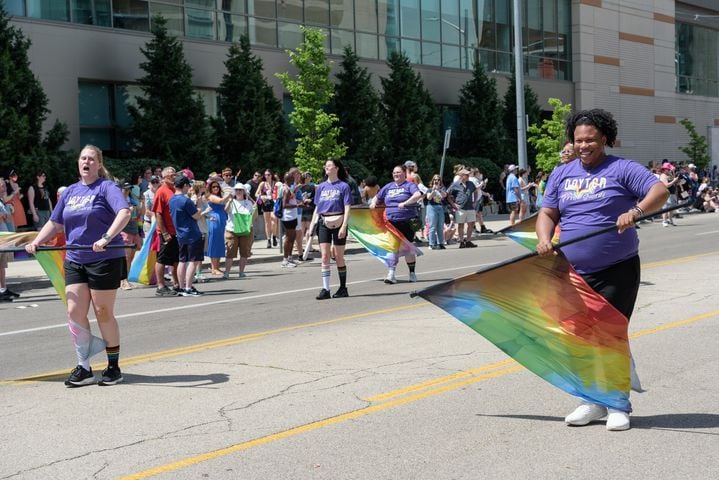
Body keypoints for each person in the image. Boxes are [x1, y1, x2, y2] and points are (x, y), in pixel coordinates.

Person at [536, 109, 669, 431]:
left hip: (616, 268)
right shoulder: (562, 173)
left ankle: (617, 404)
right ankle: (591, 401)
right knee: (579, 336)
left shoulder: (622, 168)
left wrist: (635, 211)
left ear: (605, 138)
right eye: (579, 140)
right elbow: (548, 212)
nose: (584, 145)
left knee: (608, 334)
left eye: (591, 140)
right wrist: (543, 239)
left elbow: (660, 192)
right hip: (573, 271)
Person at [26, 145, 131, 387]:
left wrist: (106, 238)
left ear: (99, 164)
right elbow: (55, 222)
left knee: (103, 312)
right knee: (74, 311)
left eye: (91, 159)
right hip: (75, 258)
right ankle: (84, 367)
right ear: (78, 163)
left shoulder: (107, 187)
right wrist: (37, 241)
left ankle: (113, 367)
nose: (86, 162)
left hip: (104, 258)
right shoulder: (71, 191)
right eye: (83, 158)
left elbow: (124, 213)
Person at [370, 165, 423, 283]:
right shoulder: (388, 187)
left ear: (404, 173)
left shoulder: (409, 185)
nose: (396, 175)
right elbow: (377, 197)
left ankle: (412, 273)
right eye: (394, 173)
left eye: (398, 172)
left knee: (408, 248)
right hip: (391, 222)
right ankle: (391, 273)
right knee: (393, 247)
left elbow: (417, 195)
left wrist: (405, 203)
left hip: (407, 221)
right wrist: (373, 203)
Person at [310, 159, 352, 299]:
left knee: (339, 256)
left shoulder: (344, 186)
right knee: (325, 256)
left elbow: (347, 207)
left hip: (339, 220)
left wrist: (344, 226)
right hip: (323, 222)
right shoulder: (321, 187)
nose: (326, 168)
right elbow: (317, 207)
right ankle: (325, 289)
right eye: (325, 166)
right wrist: (312, 225)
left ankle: (342, 288)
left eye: (329, 165)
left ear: (336, 168)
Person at [169, 175, 204, 296]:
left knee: (182, 260)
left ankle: (182, 287)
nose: (189, 188)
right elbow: (196, 216)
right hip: (192, 233)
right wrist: (199, 205)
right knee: (194, 261)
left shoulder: (172, 199)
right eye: (188, 185)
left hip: (180, 233)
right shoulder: (185, 200)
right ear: (184, 185)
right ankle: (188, 287)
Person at [152, 166, 180, 297]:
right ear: (165, 177)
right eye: (172, 175)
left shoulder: (174, 189)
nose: (174, 177)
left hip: (176, 231)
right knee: (162, 259)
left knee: (175, 259)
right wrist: (164, 232)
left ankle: (176, 283)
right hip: (166, 231)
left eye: (175, 174)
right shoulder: (161, 191)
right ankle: (161, 286)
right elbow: (158, 214)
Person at [224, 183, 255, 278]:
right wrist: (229, 201)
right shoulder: (231, 201)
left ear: (244, 191)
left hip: (245, 230)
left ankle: (241, 272)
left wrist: (250, 199)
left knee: (244, 252)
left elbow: (253, 213)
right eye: (236, 189)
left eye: (240, 190)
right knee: (230, 252)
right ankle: (227, 273)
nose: (238, 191)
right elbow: (226, 210)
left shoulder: (248, 203)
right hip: (232, 229)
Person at [446, 169, 478, 248]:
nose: (468, 176)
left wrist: (475, 201)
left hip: (470, 207)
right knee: (461, 225)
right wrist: (453, 204)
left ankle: (468, 241)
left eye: (468, 175)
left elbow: (475, 191)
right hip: (461, 208)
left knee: (471, 224)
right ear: (461, 176)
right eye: (466, 175)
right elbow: (448, 194)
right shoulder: (455, 184)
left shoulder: (470, 183)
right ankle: (461, 241)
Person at [205, 180, 231, 275]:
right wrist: (229, 194)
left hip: (222, 219)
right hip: (214, 219)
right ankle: (213, 268)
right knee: (214, 242)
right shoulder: (211, 196)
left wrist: (229, 201)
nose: (216, 188)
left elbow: (225, 209)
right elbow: (220, 201)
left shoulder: (220, 196)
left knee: (220, 243)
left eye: (217, 186)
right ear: (210, 188)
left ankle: (217, 267)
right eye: (213, 187)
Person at [119, 183, 142, 290]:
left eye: (129, 189)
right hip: (124, 229)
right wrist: (128, 211)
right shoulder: (117, 200)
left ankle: (126, 279)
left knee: (131, 256)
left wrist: (142, 203)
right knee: (126, 256)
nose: (128, 191)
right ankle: (123, 281)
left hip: (134, 227)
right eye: (126, 189)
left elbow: (140, 213)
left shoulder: (132, 199)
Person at [279, 171, 301, 268]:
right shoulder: (286, 189)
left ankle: (290, 258)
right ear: (288, 179)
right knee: (288, 238)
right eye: (292, 178)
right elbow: (284, 205)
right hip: (288, 217)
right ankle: (285, 260)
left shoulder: (289, 188)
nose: (294, 180)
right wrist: (297, 205)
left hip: (293, 216)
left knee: (292, 237)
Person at [425, 174, 447, 250]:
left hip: (440, 207)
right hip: (431, 207)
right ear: (433, 180)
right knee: (432, 226)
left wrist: (439, 189)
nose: (436, 181)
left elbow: (444, 196)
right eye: (435, 179)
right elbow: (428, 197)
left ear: (440, 181)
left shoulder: (442, 188)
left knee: (440, 226)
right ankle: (431, 244)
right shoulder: (430, 189)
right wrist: (433, 190)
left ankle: (440, 243)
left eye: (438, 179)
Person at [257, 170, 278, 248]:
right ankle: (269, 240)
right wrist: (262, 197)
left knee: (274, 220)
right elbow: (256, 194)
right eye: (265, 175)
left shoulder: (275, 183)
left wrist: (273, 196)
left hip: (274, 203)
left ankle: (274, 236)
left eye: (268, 174)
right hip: (266, 203)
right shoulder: (263, 183)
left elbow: (280, 193)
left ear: (271, 175)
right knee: (267, 223)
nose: (267, 176)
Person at [659, 162, 679, 227]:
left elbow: (673, 179)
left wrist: (673, 172)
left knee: (672, 207)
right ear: (664, 169)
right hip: (667, 193)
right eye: (668, 169)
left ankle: (670, 220)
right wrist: (674, 181)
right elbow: (666, 185)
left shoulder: (669, 175)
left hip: (672, 193)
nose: (669, 170)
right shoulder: (663, 176)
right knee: (666, 208)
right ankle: (664, 221)